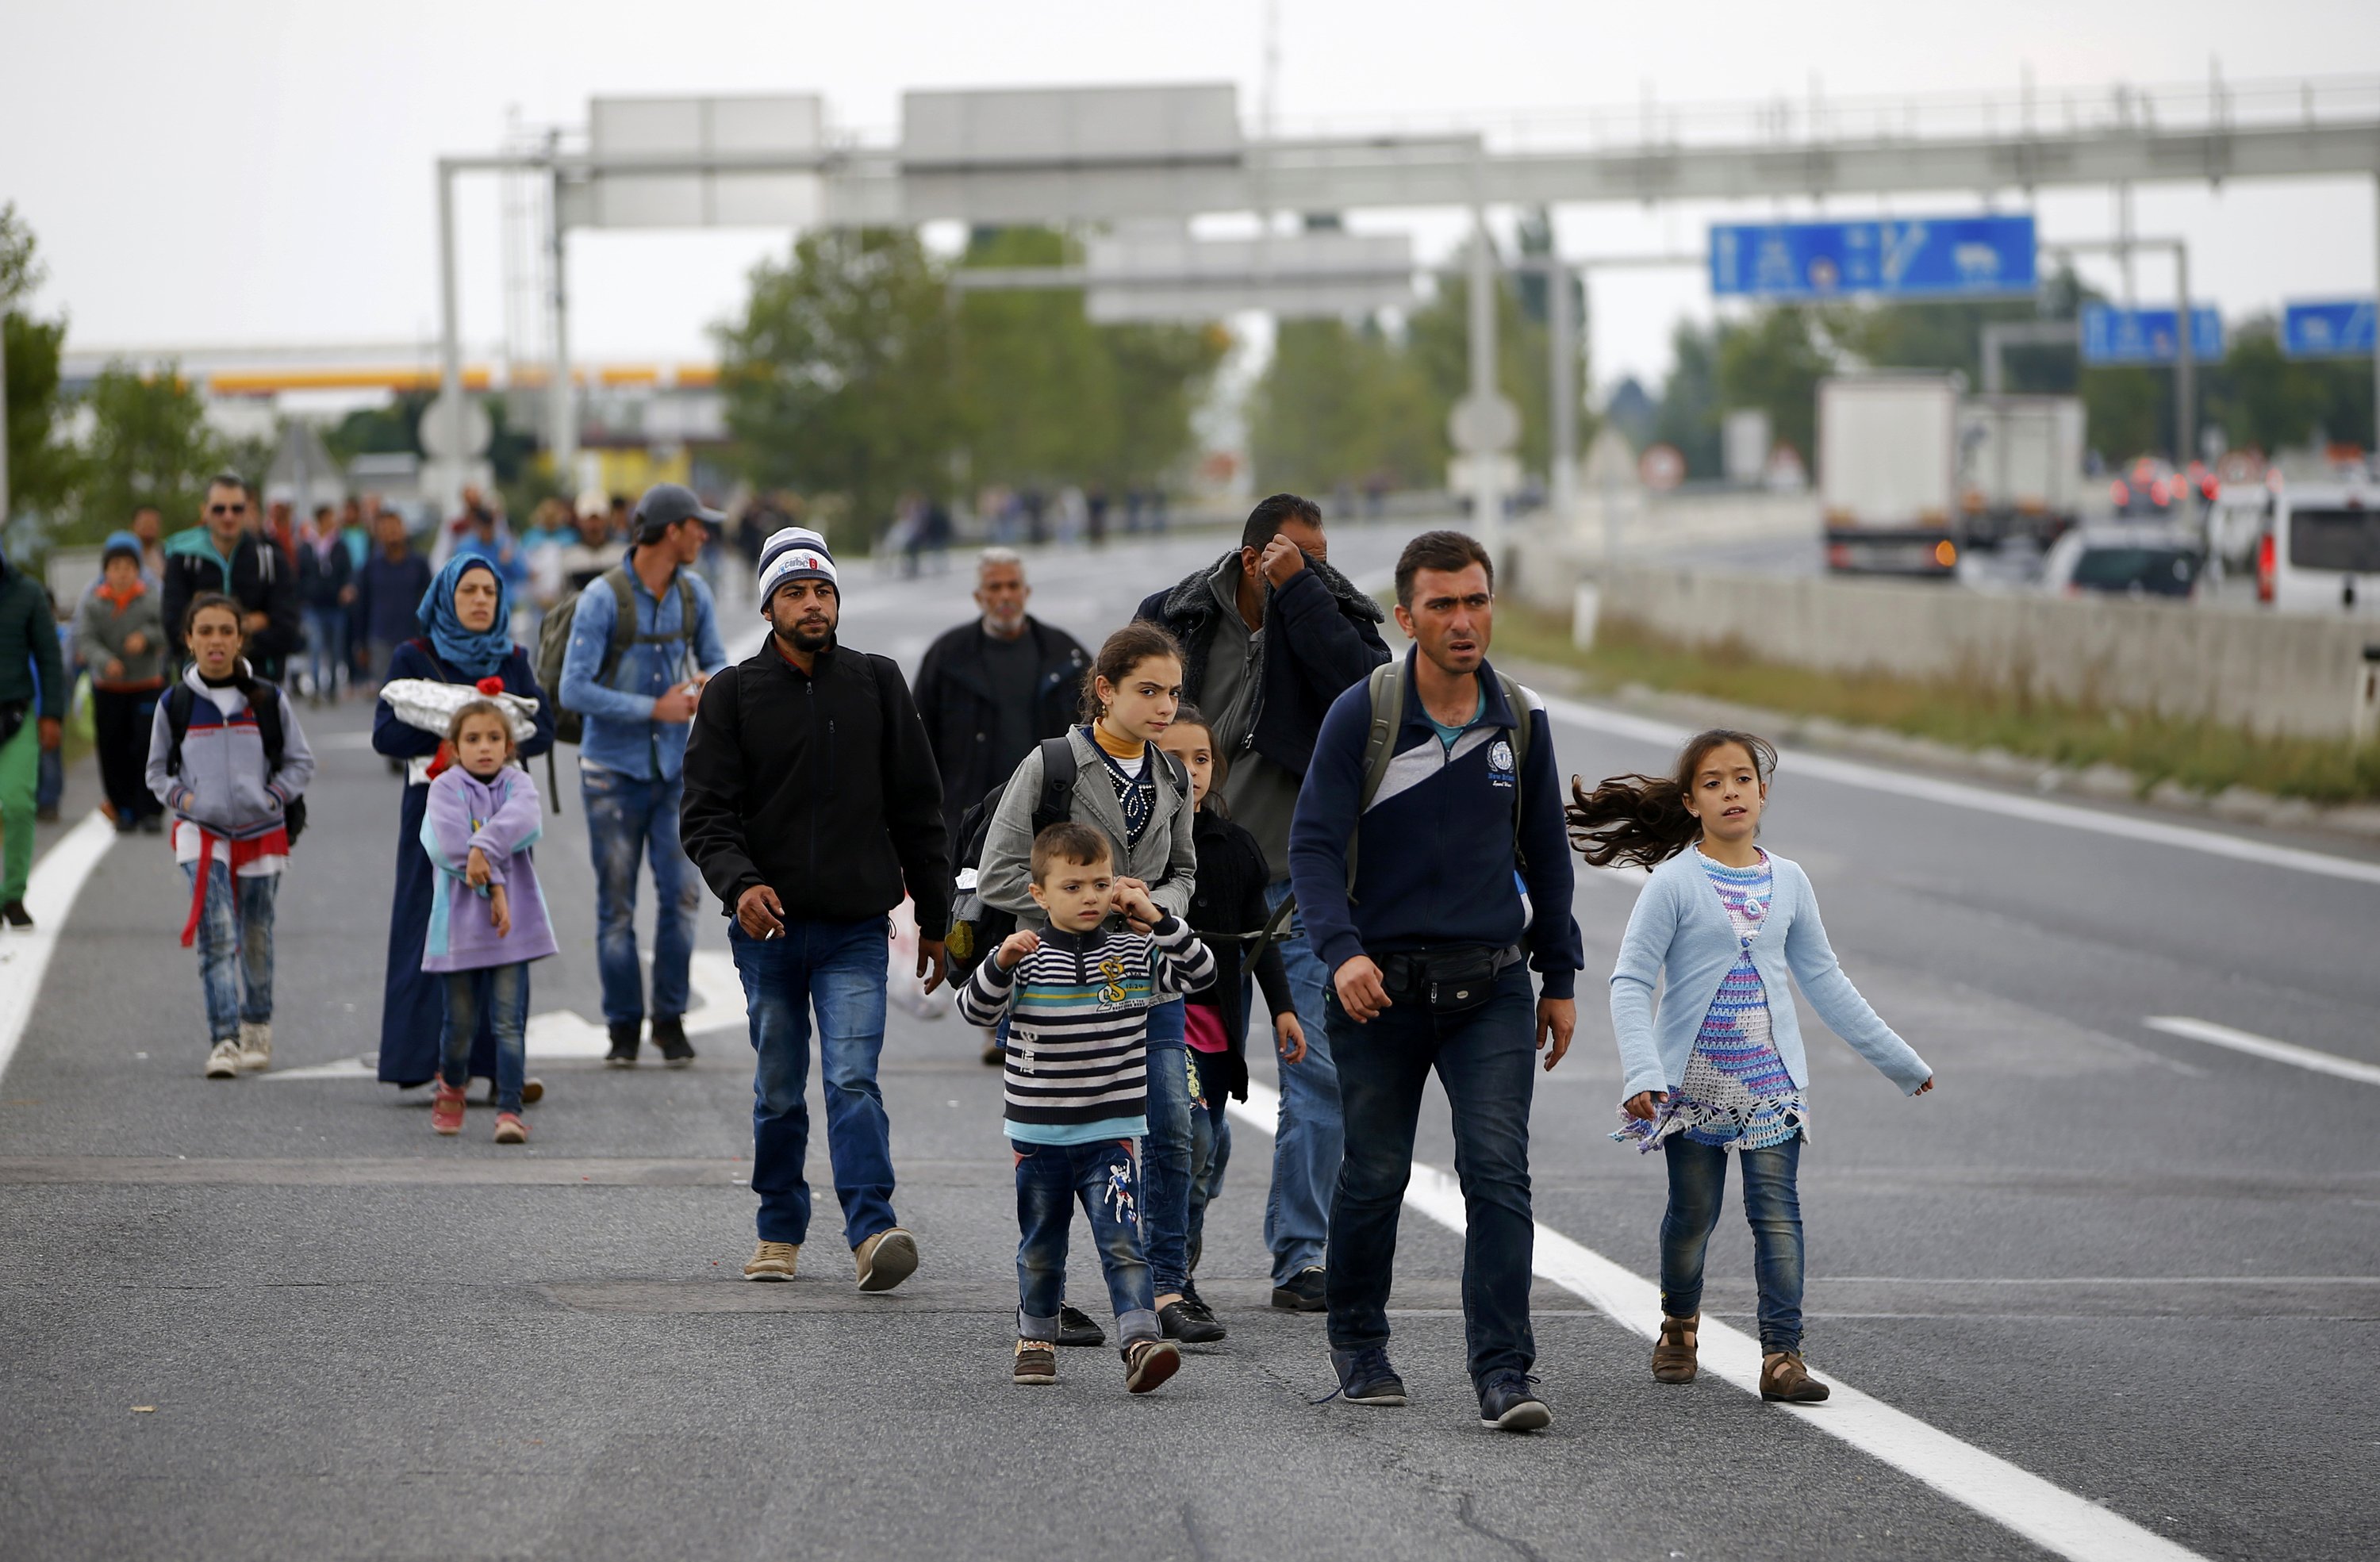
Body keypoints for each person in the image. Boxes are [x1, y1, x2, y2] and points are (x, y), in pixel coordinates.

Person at [1287, 529, 1582, 1433]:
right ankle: (1360, 1345)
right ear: (1408, 615)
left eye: (1478, 600)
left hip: (1489, 986)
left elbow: (1549, 856)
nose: (1464, 620)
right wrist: (1342, 954)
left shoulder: (1519, 719)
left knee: (1498, 1174)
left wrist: (1559, 975)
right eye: (1444, 604)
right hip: (1380, 991)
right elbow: (1312, 845)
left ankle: (1504, 1372)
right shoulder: (1364, 714)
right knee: (1373, 1173)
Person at [1572, 728, 1937, 1404]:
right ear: (1691, 802)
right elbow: (1630, 982)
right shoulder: (1674, 882)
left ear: (1763, 792)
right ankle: (1679, 1325)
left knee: (1777, 1215)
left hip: (1772, 1087)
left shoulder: (1790, 881)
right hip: (1692, 1089)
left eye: (1742, 778)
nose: (1730, 791)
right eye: (1713, 782)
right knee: (1693, 1215)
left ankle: (1782, 1356)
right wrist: (1642, 1073)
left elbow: (1825, 980)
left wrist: (1899, 1060)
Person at [1135, 492, 1391, 1313]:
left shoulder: (1337, 614)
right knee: (1195, 1077)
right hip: (1194, 883)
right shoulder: (1175, 614)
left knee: (1317, 1074)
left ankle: (1301, 1255)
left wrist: (1307, 595)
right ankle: (1175, 1251)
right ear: (1255, 557)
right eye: (1297, 557)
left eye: (1321, 557)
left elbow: (1369, 695)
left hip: (1306, 884)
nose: (1319, 569)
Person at [680, 525, 950, 1292]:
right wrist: (740, 885)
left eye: (823, 590)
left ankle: (872, 1231)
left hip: (857, 931)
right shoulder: (733, 693)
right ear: (769, 606)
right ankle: (778, 1229)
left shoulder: (876, 681)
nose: (812, 604)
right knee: (777, 1084)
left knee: (853, 1079)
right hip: (768, 933)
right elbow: (705, 815)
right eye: (795, 592)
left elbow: (917, 806)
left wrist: (934, 918)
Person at [977, 624, 1208, 1342]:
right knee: (1056, 1152)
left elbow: (1185, 872)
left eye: (1172, 692)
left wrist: (1151, 907)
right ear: (1104, 691)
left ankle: (1167, 1287)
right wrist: (1083, 898)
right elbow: (998, 873)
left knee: (1174, 1130)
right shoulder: (1051, 767)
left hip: (1149, 979)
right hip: (1060, 987)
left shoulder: (1170, 775)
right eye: (1148, 690)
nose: (1164, 706)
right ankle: (1051, 1301)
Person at [956, 821, 1215, 1392]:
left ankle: (1140, 1340)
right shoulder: (1026, 956)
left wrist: (1156, 916)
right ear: (1039, 894)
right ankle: (1037, 1336)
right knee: (1042, 1245)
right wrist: (999, 961)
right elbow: (973, 1011)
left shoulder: (1134, 951)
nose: (1090, 897)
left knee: (1122, 1240)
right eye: (1072, 887)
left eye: (1099, 884)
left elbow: (1201, 972)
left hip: (1109, 1133)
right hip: (1040, 1136)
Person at [555, 482, 729, 1068]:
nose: (705, 535)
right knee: (617, 907)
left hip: (679, 772)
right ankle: (624, 1026)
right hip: (611, 772)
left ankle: (670, 1021)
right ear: (671, 530)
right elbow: (573, 688)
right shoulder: (603, 598)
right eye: (697, 525)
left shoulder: (693, 594)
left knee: (681, 900)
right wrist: (651, 708)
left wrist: (710, 684)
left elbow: (718, 661)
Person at [371, 555, 556, 1093]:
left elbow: (540, 730)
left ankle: (503, 1069)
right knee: (429, 926)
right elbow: (387, 734)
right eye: (469, 590)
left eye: (489, 592)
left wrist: (471, 734)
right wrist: (473, 727)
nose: (480, 600)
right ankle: (420, 1059)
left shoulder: (512, 657)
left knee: (505, 931)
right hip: (435, 814)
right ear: (446, 597)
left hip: (503, 819)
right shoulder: (414, 655)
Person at [1156, 705, 1305, 1321]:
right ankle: (1171, 1277)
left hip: (1220, 1030)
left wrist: (1284, 1011)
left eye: (1201, 759)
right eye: (1174, 759)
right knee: (1189, 1139)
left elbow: (1256, 938)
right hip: (1162, 1026)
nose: (1190, 772)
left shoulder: (1236, 845)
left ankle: (1177, 1253)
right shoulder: (1142, 849)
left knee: (1209, 1151)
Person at [146, 594, 314, 1077]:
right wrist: (188, 803)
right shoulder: (174, 703)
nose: (215, 641)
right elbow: (157, 772)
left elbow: (301, 761)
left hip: (263, 833)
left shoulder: (267, 698)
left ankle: (257, 1024)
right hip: (202, 833)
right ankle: (224, 1040)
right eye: (205, 632)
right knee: (216, 933)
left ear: (240, 639)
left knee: (256, 933)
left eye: (225, 631)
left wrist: (273, 796)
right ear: (189, 640)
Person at [420, 700, 559, 1143]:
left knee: (508, 1023)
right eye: (473, 739)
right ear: (454, 747)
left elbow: (525, 821)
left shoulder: (518, 783)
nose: (484, 747)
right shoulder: (444, 787)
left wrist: (481, 849)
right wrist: (494, 885)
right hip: (460, 926)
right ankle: (453, 1085)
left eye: (494, 738)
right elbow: (446, 844)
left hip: (510, 927)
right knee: (459, 1024)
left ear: (510, 745)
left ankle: (510, 1110)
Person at [914, 548, 1092, 850]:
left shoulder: (1067, 656)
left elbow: (1096, 732)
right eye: (995, 587)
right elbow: (918, 744)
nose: (1005, 596)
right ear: (978, 596)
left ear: (1027, 592)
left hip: (1053, 819)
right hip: (969, 819)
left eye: (1013, 586)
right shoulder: (947, 658)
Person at [162, 473, 301, 681]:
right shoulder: (183, 559)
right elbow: (174, 628)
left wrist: (207, 634)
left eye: (237, 508)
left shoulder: (271, 559)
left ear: (247, 510)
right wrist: (248, 623)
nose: (228, 516)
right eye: (219, 509)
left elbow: (286, 633)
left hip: (259, 681)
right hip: (197, 682)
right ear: (205, 511)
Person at [76, 533, 168, 834]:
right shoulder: (94, 603)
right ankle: (123, 809)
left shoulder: (151, 598)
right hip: (109, 688)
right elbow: (85, 639)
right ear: (106, 571)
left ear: (137, 570)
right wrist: (105, 661)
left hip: (146, 683)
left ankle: (151, 810)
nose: (122, 572)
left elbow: (168, 628)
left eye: (128, 566)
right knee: (112, 749)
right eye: (115, 567)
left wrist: (146, 638)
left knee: (147, 746)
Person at [0, 540, 66, 928]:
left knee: (19, 804)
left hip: (16, 713)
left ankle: (12, 896)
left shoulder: (27, 593)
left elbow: (49, 656)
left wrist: (52, 715)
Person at [354, 509, 432, 689]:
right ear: (378, 533)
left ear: (404, 529)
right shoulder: (370, 566)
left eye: (395, 527)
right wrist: (361, 644)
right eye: (385, 529)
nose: (391, 532)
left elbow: (430, 602)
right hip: (381, 639)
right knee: (386, 694)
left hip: (414, 638)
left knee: (415, 694)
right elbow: (362, 606)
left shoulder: (419, 564)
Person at [296, 505, 354, 704]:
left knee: (335, 648)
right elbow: (301, 573)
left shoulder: (339, 545)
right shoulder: (307, 545)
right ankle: (316, 688)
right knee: (316, 646)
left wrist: (347, 588)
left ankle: (331, 688)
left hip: (335, 604)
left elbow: (348, 571)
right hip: (313, 605)